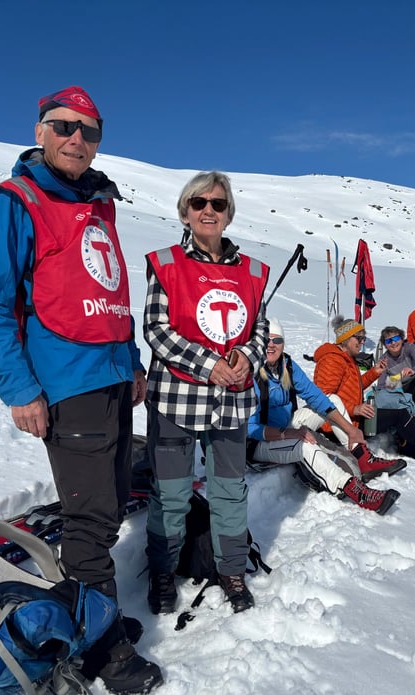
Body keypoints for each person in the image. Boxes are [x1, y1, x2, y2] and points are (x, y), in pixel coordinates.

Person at [0, 86, 162, 694]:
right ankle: (105, 650)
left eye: (90, 130)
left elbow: (110, 301)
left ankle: (91, 613)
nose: (77, 138)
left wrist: (131, 361)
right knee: (90, 517)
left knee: (107, 506)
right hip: (65, 385)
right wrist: (18, 387)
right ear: (40, 130)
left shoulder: (98, 204)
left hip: (109, 378)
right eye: (64, 127)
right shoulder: (17, 201)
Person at [144, 171, 269, 616]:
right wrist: (209, 364)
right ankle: (161, 569)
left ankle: (232, 569)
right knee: (172, 492)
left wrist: (247, 360)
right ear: (185, 211)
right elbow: (156, 331)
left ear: (229, 212)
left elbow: (259, 329)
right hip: (177, 401)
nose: (209, 210)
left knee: (230, 490)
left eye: (218, 203)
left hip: (232, 403)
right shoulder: (167, 263)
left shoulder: (252, 272)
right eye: (199, 203)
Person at [247, 318, 401, 515]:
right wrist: (290, 434)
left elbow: (316, 396)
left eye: (277, 341)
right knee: (303, 444)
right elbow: (250, 428)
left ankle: (361, 457)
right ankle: (354, 489)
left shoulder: (287, 365)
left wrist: (351, 429)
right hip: (258, 443)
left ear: (283, 344)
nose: (271, 345)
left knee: (332, 400)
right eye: (267, 340)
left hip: (286, 425)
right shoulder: (252, 373)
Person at [314, 319, 415, 467]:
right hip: (337, 426)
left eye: (363, 338)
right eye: (359, 338)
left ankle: (414, 448)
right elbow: (323, 398)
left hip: (351, 418)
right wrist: (355, 408)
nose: (362, 342)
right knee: (399, 415)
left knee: (398, 413)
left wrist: (374, 372)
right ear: (345, 339)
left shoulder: (347, 359)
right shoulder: (332, 361)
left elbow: (354, 386)